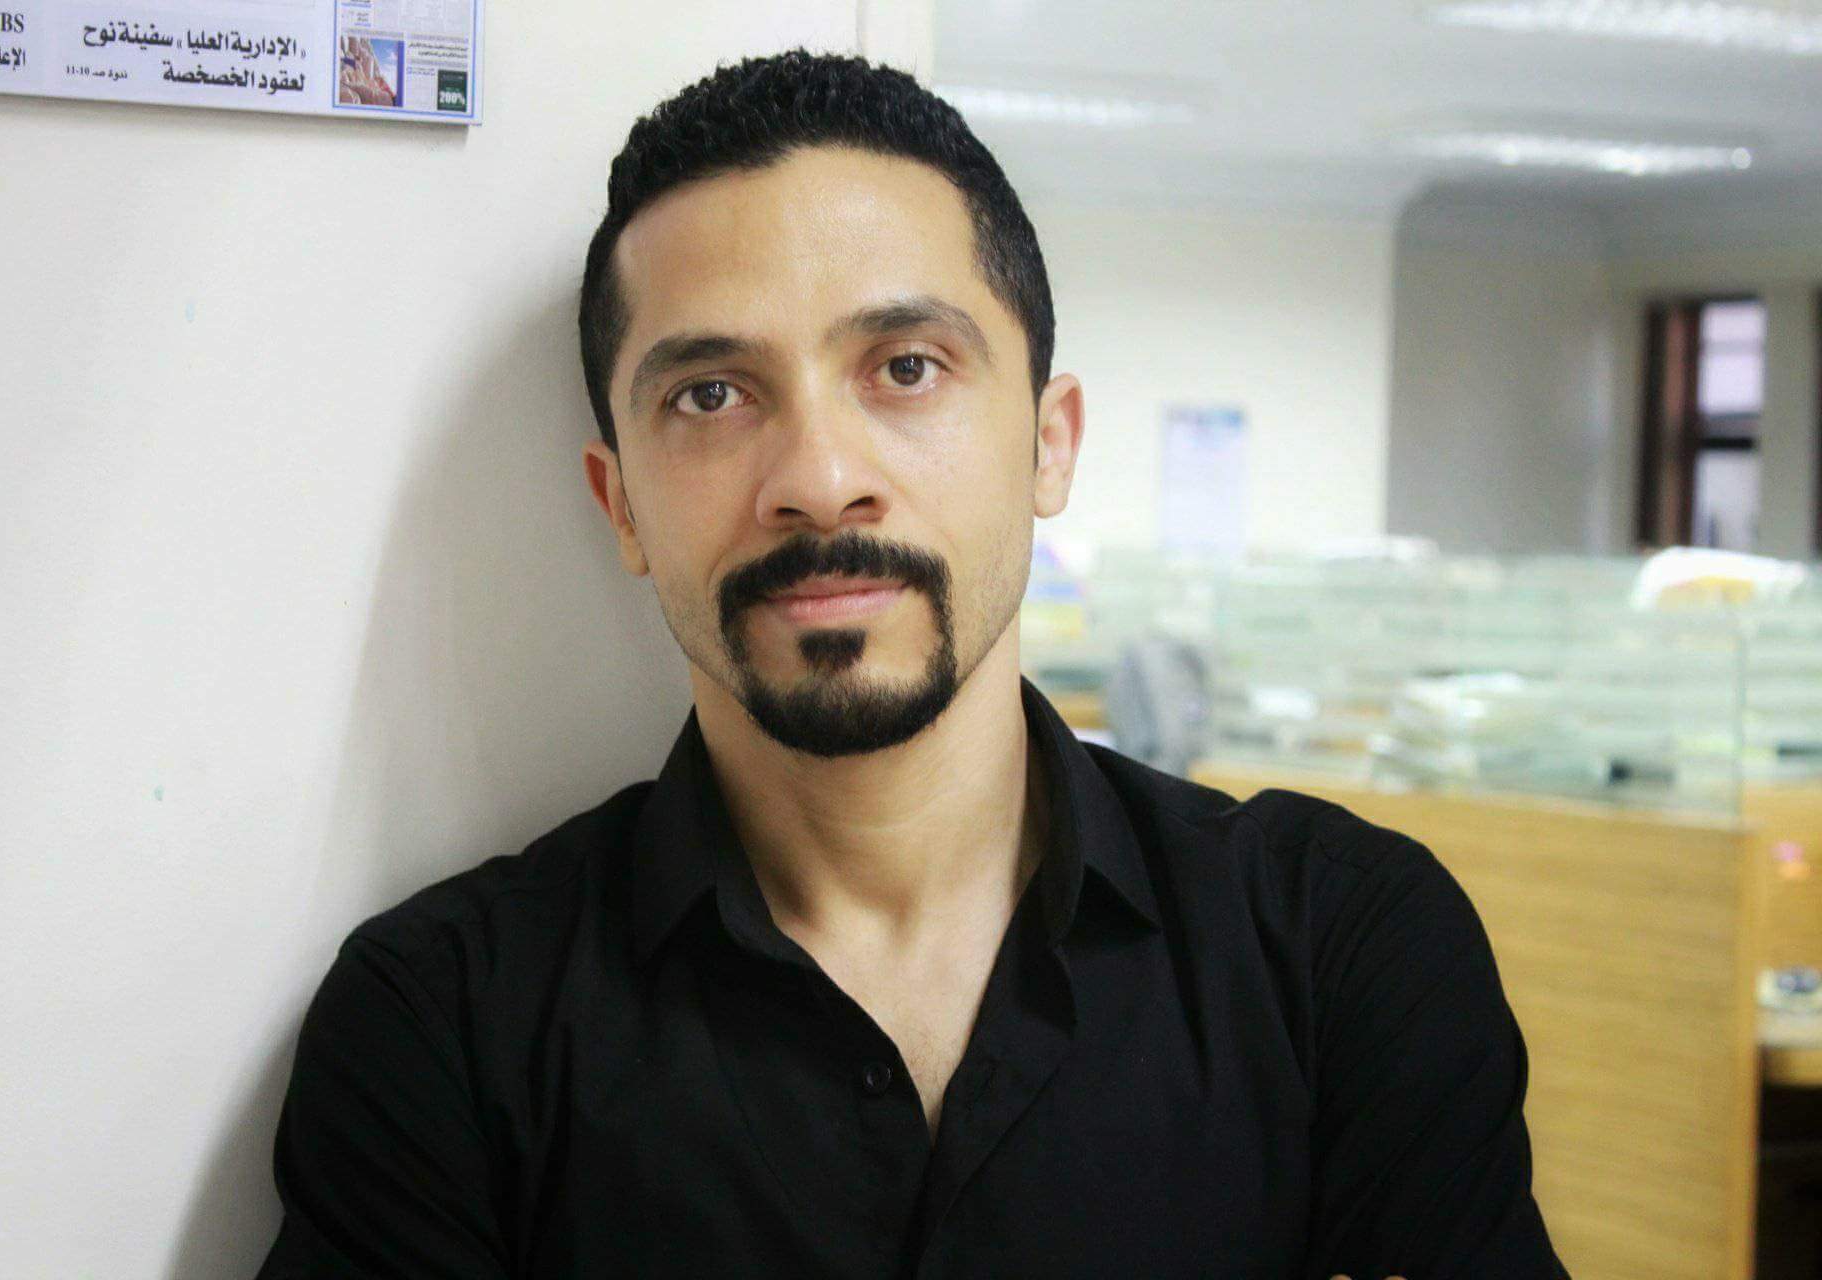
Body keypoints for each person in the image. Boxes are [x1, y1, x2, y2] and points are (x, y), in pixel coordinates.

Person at [255, 50, 1567, 1279]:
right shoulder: (443, 1026)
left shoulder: (1341, 955)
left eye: (906, 367)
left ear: (1050, 443)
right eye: (712, 394)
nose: (821, 479)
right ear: (623, 506)